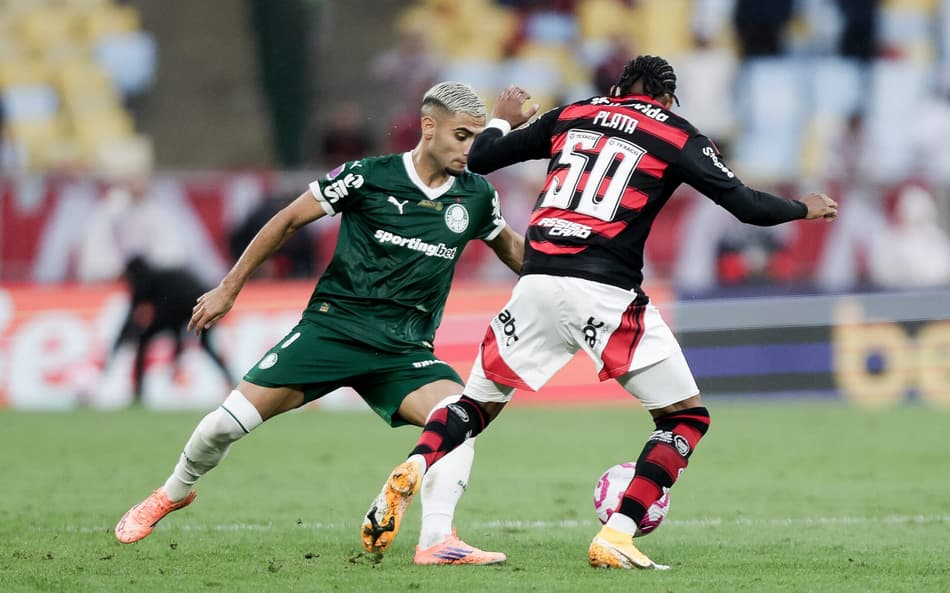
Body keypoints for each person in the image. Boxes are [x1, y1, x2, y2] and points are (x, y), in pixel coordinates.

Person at [364, 55, 838, 570]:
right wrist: (803, 208)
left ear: (617, 88)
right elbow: (747, 206)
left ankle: (417, 463)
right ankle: (619, 532)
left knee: (474, 407)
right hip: (605, 290)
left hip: (537, 281)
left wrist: (501, 118)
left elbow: (480, 157)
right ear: (666, 99)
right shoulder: (675, 132)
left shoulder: (574, 112)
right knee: (685, 417)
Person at [114, 81, 525, 566]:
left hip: (404, 350)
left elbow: (514, 252)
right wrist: (229, 287)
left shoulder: (476, 195)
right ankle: (172, 492)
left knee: (457, 419)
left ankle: (437, 540)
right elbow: (288, 220)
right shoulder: (367, 176)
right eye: (462, 135)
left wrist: (573, 272)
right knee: (223, 426)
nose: (471, 148)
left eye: (477, 136)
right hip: (332, 332)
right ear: (428, 127)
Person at [112, 256, 234, 403]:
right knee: (206, 345)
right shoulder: (161, 278)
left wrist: (115, 347)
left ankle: (139, 390)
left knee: (145, 338)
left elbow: (134, 318)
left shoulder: (147, 282)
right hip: (201, 306)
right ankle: (230, 381)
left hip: (195, 308)